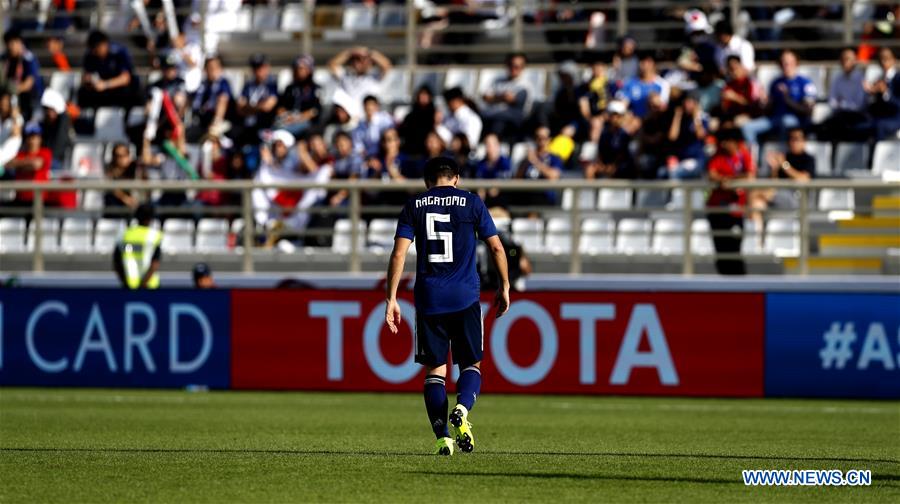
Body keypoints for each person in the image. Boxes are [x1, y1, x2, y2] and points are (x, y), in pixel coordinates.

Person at [384, 156, 510, 456]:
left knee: (434, 371)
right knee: (470, 364)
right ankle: (463, 410)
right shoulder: (471, 202)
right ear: (456, 178)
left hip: (429, 298)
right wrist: (504, 285)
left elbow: (399, 254)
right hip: (465, 296)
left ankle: (443, 439)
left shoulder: (414, 205)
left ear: (428, 182)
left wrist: (391, 298)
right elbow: (495, 246)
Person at [741, 50, 817, 147]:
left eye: (788, 62)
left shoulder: (805, 83)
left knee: (786, 121)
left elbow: (808, 110)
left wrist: (787, 99)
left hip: (796, 120)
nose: (785, 65)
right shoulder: (776, 82)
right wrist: (764, 103)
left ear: (796, 63)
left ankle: (783, 154)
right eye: (783, 62)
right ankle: (753, 157)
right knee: (747, 127)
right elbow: (769, 109)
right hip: (774, 119)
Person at [706, 128, 755, 275]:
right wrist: (724, 180)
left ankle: (738, 280)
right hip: (717, 210)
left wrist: (729, 180)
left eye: (727, 141)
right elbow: (712, 175)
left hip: (736, 211)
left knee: (734, 246)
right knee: (720, 248)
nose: (724, 144)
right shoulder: (718, 156)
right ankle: (723, 280)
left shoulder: (744, 156)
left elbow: (750, 176)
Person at [749, 128, 814, 233]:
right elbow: (774, 183)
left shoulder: (808, 159)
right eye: (791, 139)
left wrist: (784, 165)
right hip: (780, 196)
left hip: (797, 198)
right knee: (757, 203)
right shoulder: (785, 157)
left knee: (755, 193)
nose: (793, 142)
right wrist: (775, 169)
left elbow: (804, 179)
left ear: (804, 141)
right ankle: (758, 242)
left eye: (797, 139)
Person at [78, 30, 140, 110]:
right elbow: (87, 74)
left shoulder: (119, 52)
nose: (95, 52)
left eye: (96, 48)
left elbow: (125, 78)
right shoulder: (90, 55)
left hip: (120, 89)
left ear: (104, 44)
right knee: (83, 93)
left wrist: (105, 85)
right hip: (102, 90)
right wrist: (88, 80)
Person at [819, 48, 868, 141]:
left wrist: (842, 104)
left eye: (848, 59)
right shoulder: (837, 78)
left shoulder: (861, 78)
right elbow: (832, 100)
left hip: (856, 116)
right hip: (840, 114)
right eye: (843, 59)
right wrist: (841, 105)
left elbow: (859, 104)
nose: (845, 62)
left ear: (855, 61)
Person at [481, 52, 531, 139]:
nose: (513, 68)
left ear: (523, 68)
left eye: (517, 66)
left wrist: (495, 97)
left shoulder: (525, 84)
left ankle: (493, 144)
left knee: (499, 121)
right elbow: (485, 97)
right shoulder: (498, 80)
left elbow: (514, 100)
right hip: (493, 115)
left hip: (514, 120)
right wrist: (502, 97)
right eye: (510, 65)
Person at [113, 204, 163, 289]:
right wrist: (143, 285)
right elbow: (154, 264)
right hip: (149, 286)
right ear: (150, 218)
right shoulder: (154, 236)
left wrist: (125, 282)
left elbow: (117, 263)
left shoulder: (123, 235)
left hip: (128, 286)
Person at [235, 54, 278, 147]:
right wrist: (258, 106)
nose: (257, 71)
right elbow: (239, 108)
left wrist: (248, 107)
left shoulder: (272, 84)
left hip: (266, 128)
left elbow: (267, 107)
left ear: (267, 67)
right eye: (255, 68)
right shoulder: (248, 85)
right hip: (247, 128)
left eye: (260, 67)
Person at [515, 126, 563, 207]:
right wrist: (525, 163)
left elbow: (554, 176)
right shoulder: (527, 159)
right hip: (526, 196)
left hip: (544, 196)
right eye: (538, 137)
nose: (540, 141)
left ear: (549, 139)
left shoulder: (555, 158)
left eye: (544, 138)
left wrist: (535, 162)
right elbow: (517, 180)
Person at [328, 46, 392, 106]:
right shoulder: (346, 76)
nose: (357, 63)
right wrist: (350, 52)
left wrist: (368, 52)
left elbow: (386, 65)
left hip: (366, 115)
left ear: (368, 61)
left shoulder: (374, 77)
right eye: (354, 60)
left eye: (361, 60)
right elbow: (332, 64)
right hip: (350, 114)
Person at [6, 123, 51, 207]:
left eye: (34, 137)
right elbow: (8, 163)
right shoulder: (20, 154)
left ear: (40, 139)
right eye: (29, 137)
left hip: (38, 201)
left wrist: (19, 165)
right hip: (20, 199)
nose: (31, 140)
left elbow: (36, 165)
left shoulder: (45, 152)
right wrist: (27, 163)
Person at [1, 29, 42, 121]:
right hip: (11, 98)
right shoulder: (5, 58)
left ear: (19, 42)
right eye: (8, 44)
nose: (10, 47)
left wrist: (13, 90)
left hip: (31, 100)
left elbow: (29, 83)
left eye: (12, 43)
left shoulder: (28, 58)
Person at [275, 55, 321, 137]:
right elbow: (281, 107)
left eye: (302, 68)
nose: (299, 71)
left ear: (310, 70)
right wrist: (286, 116)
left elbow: (315, 111)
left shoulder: (315, 89)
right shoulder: (290, 88)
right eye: (297, 68)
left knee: (282, 131)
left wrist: (297, 118)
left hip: (306, 124)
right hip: (288, 120)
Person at [617, 52, 670, 119]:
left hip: (654, 120)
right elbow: (622, 103)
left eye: (647, 62)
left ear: (653, 64)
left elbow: (663, 107)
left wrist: (652, 101)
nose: (643, 65)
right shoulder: (630, 82)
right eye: (641, 61)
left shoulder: (662, 83)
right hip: (632, 119)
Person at [39, 89, 71, 171]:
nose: (48, 113)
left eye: (51, 109)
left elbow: (58, 147)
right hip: (44, 158)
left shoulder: (63, 121)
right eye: (46, 109)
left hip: (57, 161)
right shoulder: (44, 124)